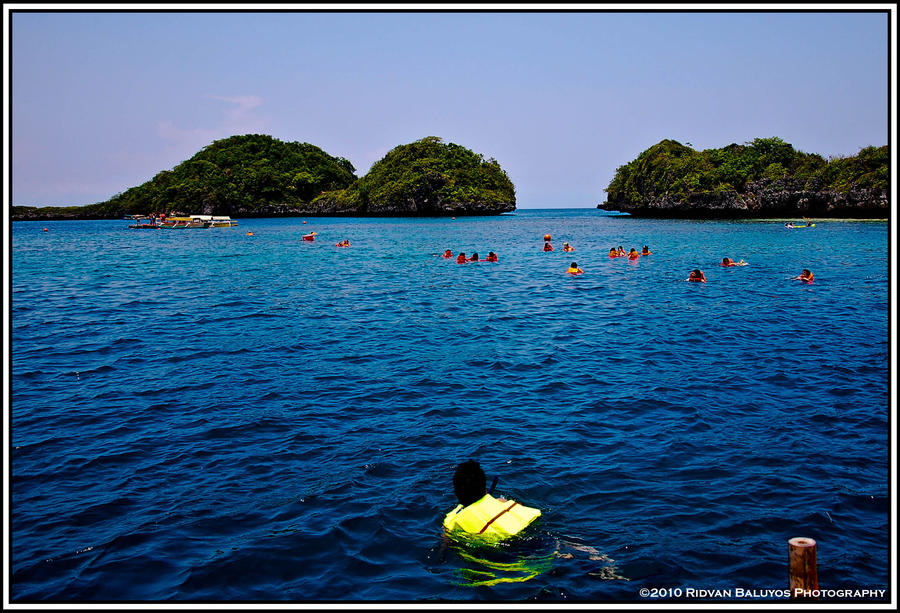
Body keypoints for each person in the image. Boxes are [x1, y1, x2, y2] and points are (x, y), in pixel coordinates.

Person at [443, 460, 541, 539]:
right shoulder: (503, 502)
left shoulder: (451, 521)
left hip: (507, 554)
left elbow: (446, 544)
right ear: (485, 489)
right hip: (535, 535)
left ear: (456, 494)